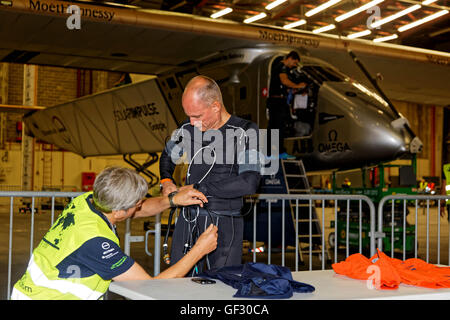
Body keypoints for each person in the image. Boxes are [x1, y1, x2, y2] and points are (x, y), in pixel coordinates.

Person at [11, 166, 218, 300]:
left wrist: (172, 200)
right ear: (119, 211)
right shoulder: (97, 243)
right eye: (137, 203)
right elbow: (149, 286)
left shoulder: (87, 200)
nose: (140, 206)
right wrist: (199, 249)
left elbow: (139, 210)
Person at [159, 75, 261, 276]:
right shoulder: (187, 128)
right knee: (176, 284)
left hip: (225, 222)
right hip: (188, 219)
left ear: (215, 106)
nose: (192, 122)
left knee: (223, 285)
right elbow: (167, 156)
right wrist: (166, 181)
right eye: (188, 115)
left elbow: (250, 182)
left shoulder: (246, 131)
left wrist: (199, 189)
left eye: (197, 116)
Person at [267, 51, 308, 159]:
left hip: (275, 101)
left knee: (273, 127)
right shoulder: (282, 67)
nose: (293, 66)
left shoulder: (280, 68)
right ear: (290, 58)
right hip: (277, 102)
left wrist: (294, 89)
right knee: (279, 127)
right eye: (294, 63)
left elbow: (283, 85)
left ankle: (270, 152)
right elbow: (284, 81)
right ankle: (279, 152)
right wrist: (298, 85)